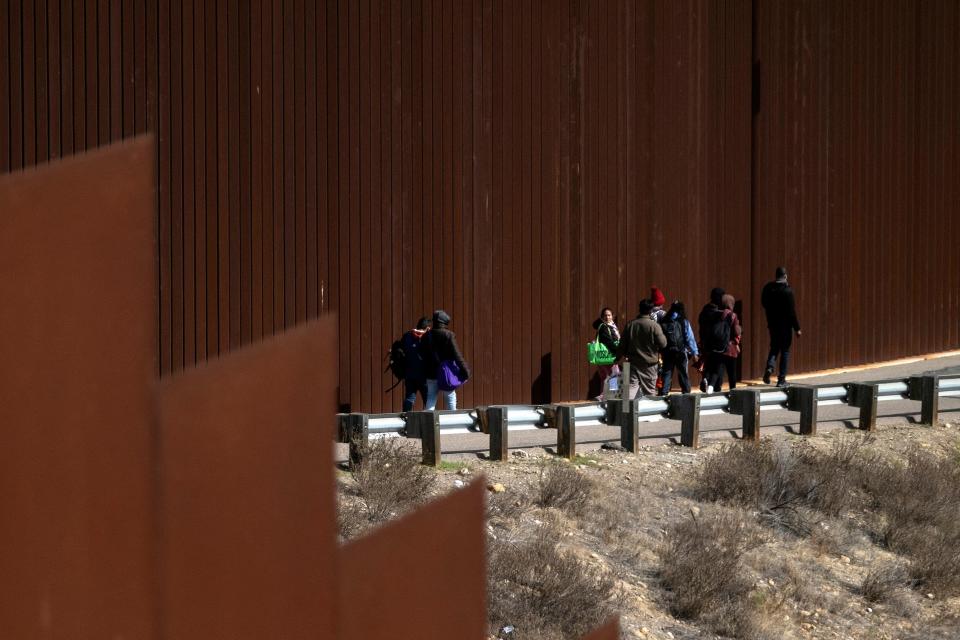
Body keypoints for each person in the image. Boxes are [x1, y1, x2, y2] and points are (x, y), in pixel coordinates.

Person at [616, 299, 667, 398]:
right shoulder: (654, 326)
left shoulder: (630, 325)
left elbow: (622, 345)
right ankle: (649, 412)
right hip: (649, 364)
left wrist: (617, 358)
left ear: (639, 309)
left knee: (630, 389)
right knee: (649, 391)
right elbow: (663, 343)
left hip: (633, 363)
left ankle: (627, 412)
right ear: (651, 310)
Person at [761, 266, 802, 387]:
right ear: (785, 276)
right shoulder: (787, 291)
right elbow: (791, 312)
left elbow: (764, 303)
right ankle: (781, 379)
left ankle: (769, 367)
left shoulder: (768, 288)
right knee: (785, 351)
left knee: (774, 347)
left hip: (773, 324)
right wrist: (797, 328)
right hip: (785, 326)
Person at [423, 309, 471, 410]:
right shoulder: (448, 335)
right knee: (450, 397)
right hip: (445, 373)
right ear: (444, 322)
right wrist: (465, 370)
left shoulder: (427, 335)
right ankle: (452, 421)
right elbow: (457, 354)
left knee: (431, 398)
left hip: (430, 372)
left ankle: (427, 422)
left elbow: (422, 353)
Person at [698, 287, 734, 393]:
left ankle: (706, 380)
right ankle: (714, 387)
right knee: (718, 367)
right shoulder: (723, 312)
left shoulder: (705, 310)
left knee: (709, 364)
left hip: (706, 342)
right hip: (720, 344)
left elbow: (701, 324)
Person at [658, 301, 699, 395]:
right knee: (683, 373)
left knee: (667, 373)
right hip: (681, 352)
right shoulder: (683, 321)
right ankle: (686, 393)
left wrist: (660, 351)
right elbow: (690, 338)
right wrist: (695, 353)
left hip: (668, 352)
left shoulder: (664, 321)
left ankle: (664, 393)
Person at [400, 317, 431, 411]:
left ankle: (405, 417)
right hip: (424, 375)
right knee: (428, 400)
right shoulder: (428, 337)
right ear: (427, 327)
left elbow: (402, 350)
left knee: (409, 398)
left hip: (409, 373)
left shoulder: (407, 336)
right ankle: (429, 421)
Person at [592, 307, 621, 399]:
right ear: (602, 317)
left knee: (605, 378)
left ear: (612, 316)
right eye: (605, 315)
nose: (607, 317)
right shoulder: (604, 327)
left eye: (609, 315)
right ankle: (611, 396)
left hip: (601, 357)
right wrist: (617, 352)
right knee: (614, 375)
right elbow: (609, 342)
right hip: (608, 356)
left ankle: (603, 396)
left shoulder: (611, 326)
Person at [720, 294, 743, 390]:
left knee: (719, 371)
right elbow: (737, 332)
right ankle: (732, 391)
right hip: (731, 348)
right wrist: (737, 343)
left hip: (719, 347)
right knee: (732, 372)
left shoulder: (718, 313)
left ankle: (717, 389)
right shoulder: (733, 315)